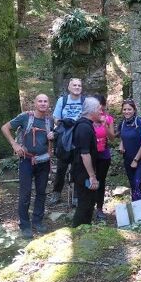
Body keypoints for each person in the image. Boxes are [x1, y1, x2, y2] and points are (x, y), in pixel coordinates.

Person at [1, 94, 55, 239]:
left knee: (41, 192)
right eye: (40, 101)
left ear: (48, 104)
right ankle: (24, 225)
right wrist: (14, 144)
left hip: (43, 161)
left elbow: (52, 140)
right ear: (35, 103)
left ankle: (37, 221)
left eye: (45, 101)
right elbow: (5, 127)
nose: (43, 104)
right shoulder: (25, 117)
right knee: (25, 193)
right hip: (26, 160)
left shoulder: (50, 120)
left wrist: (53, 137)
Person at [49, 78, 85, 206]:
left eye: (79, 85)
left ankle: (76, 195)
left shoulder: (84, 101)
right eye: (74, 85)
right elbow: (56, 118)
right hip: (64, 137)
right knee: (61, 167)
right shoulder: (62, 100)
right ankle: (56, 193)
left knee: (77, 167)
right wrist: (64, 123)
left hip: (79, 137)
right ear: (69, 88)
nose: (77, 87)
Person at [71, 97, 102, 227]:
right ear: (92, 111)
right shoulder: (84, 127)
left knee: (89, 202)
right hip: (82, 172)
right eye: (99, 109)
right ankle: (77, 231)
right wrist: (92, 176)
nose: (101, 112)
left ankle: (85, 230)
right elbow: (85, 154)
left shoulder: (86, 125)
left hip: (83, 171)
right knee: (85, 203)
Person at [92, 94, 116, 221]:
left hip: (103, 154)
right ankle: (87, 206)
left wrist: (105, 124)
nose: (99, 107)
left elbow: (112, 137)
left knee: (100, 181)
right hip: (89, 154)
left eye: (101, 104)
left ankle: (99, 208)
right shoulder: (88, 118)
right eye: (96, 105)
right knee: (88, 179)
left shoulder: (108, 119)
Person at [118, 99, 141, 202]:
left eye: (129, 109)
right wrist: (121, 144)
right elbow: (122, 136)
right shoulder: (122, 124)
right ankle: (138, 210)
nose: (127, 111)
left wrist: (136, 160)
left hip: (140, 159)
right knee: (133, 185)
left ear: (134, 110)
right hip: (127, 159)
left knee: (137, 183)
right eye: (124, 109)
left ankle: (140, 213)